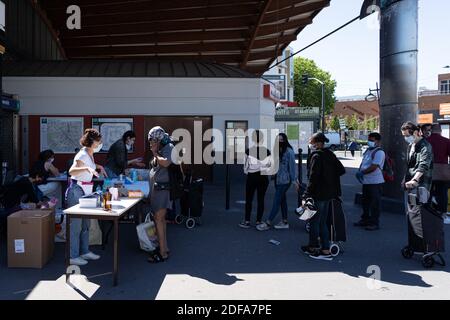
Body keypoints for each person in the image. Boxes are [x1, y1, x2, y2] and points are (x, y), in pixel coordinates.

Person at [301, 132, 345, 260]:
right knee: (323, 221)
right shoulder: (330, 154)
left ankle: (317, 247)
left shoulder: (316, 156)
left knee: (315, 221)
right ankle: (323, 248)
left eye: (312, 142)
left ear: (318, 143)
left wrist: (306, 194)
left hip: (318, 193)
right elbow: (341, 170)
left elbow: (313, 178)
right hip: (329, 193)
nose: (311, 144)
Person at [67, 128, 108, 266]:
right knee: (76, 225)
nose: (100, 144)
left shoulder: (90, 154)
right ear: (92, 142)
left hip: (85, 190)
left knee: (86, 224)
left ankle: (84, 251)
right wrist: (87, 169)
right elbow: (72, 170)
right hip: (76, 190)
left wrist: (98, 166)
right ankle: (73, 256)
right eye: (99, 141)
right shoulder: (82, 154)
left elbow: (89, 165)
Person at [257, 133, 298, 231]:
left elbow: (292, 167)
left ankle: (268, 222)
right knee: (282, 200)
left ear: (285, 140)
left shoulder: (289, 151)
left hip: (285, 180)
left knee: (276, 201)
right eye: (278, 140)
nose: (280, 141)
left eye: (281, 140)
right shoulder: (275, 151)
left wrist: (294, 181)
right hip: (277, 179)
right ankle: (284, 221)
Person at [147, 126, 174, 263]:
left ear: (158, 139)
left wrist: (155, 153)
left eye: (153, 140)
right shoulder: (162, 147)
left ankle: (162, 253)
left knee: (159, 219)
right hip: (158, 189)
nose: (151, 143)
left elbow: (167, 163)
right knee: (160, 220)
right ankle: (164, 248)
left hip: (163, 189)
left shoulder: (168, 147)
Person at [239, 130, 271, 229]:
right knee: (260, 200)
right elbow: (269, 166)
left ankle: (247, 221)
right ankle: (258, 221)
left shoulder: (248, 151)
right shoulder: (267, 151)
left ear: (253, 139)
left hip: (251, 177)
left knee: (249, 199)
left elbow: (245, 168)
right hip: (263, 178)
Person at [354, 133, 385, 231]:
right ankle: (365, 219)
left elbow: (374, 166)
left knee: (375, 203)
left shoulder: (379, 152)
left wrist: (362, 172)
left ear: (378, 141)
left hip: (375, 182)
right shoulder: (368, 151)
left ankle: (374, 223)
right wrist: (360, 171)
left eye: (372, 140)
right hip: (367, 181)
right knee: (366, 202)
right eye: (369, 139)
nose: (369, 142)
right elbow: (364, 163)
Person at [421, 123, 450, 213]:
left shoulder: (425, 141)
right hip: (442, 172)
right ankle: (442, 213)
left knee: (427, 192)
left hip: (428, 170)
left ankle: (427, 212)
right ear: (440, 131)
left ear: (431, 131)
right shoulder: (447, 141)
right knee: (443, 193)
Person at [401, 121, 433, 195]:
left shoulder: (425, 146)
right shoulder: (410, 146)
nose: (405, 138)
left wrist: (415, 179)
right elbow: (409, 165)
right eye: (404, 136)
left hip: (421, 183)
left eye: (407, 135)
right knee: (409, 205)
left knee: (419, 205)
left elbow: (424, 165)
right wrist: (404, 179)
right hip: (409, 182)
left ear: (415, 132)